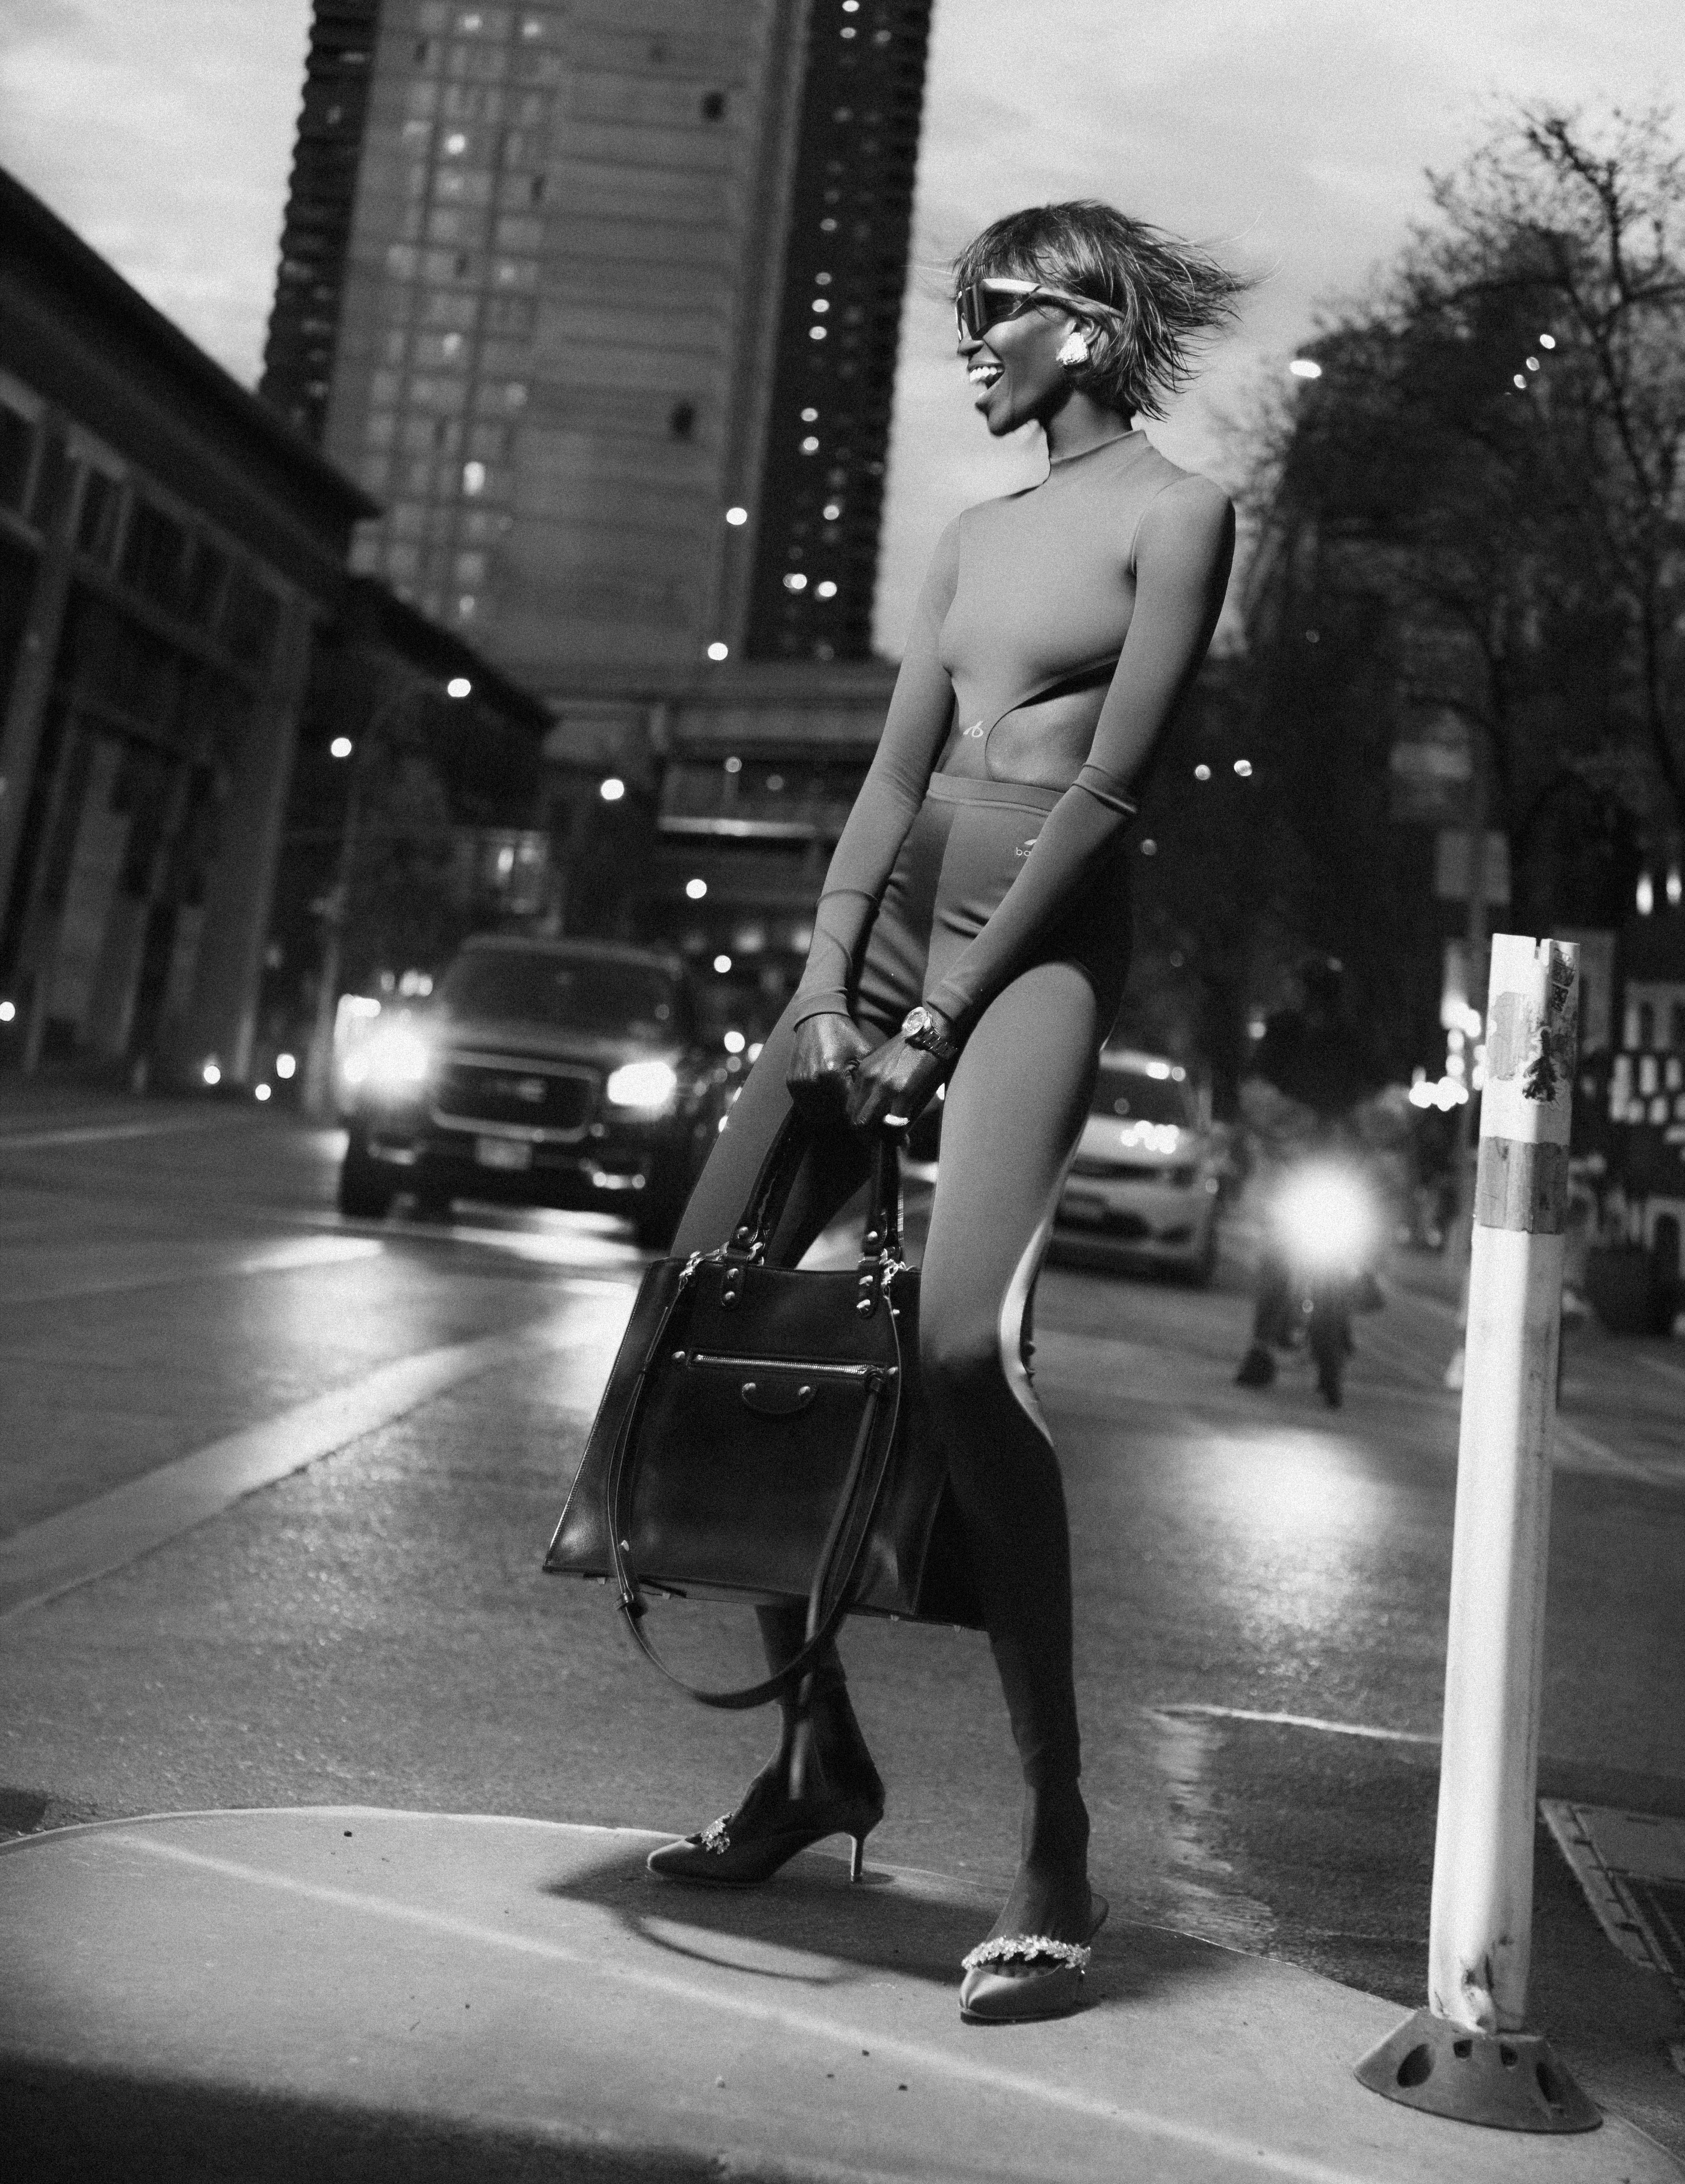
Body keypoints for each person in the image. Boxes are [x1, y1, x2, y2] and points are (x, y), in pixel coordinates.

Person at [646, 201, 1246, 2024]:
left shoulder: (1178, 513)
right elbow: (893, 769)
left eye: (995, 313)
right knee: (714, 1308)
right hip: (888, 928)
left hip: (1036, 944)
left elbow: (1109, 795)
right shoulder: (972, 537)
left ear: (1088, 325)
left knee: (964, 1347)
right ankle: (815, 1755)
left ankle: (1055, 1837)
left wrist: (944, 1014)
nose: (968, 343)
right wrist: (831, 986)